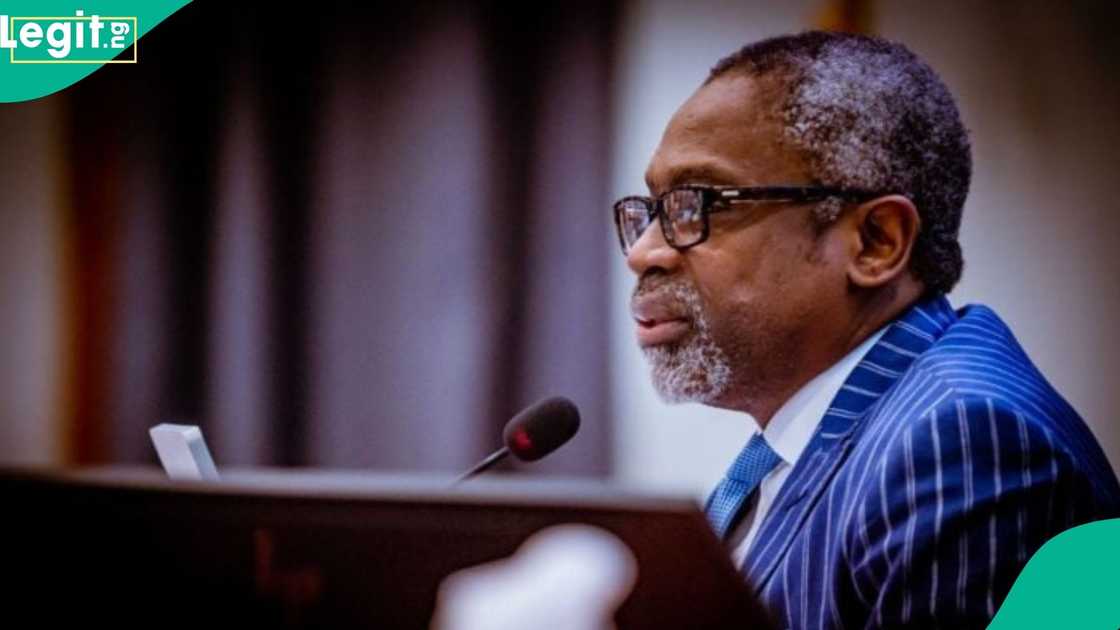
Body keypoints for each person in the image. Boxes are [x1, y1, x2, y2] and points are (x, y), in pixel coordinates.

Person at [615, 30, 1120, 628]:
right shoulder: (833, 430)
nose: (644, 252)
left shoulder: (957, 439)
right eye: (652, 210)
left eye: (698, 203)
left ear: (876, 242)